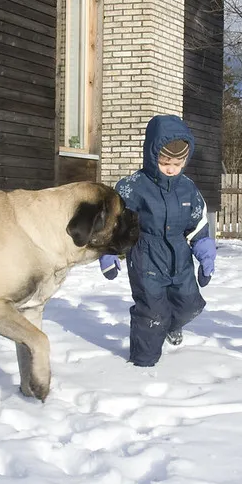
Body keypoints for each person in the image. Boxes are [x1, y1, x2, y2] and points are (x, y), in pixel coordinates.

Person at [98, 114, 216, 367]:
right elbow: (115, 221)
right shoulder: (133, 187)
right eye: (165, 162)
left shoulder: (188, 188)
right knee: (152, 313)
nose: (172, 168)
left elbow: (197, 224)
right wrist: (108, 251)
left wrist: (205, 252)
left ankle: (171, 327)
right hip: (146, 256)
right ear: (152, 155)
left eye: (178, 163)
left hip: (180, 257)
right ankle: (143, 363)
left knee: (190, 305)